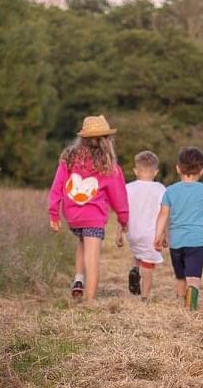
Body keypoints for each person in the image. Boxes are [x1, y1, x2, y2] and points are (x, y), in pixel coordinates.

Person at [47, 115, 129, 302]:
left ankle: (78, 278)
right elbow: (119, 197)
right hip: (93, 217)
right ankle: (90, 302)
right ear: (106, 140)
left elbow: (57, 186)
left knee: (82, 242)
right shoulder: (108, 166)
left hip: (73, 216)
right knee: (92, 260)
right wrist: (123, 219)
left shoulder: (69, 158)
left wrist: (54, 214)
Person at [154, 146, 203, 310]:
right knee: (194, 277)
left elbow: (163, 215)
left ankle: (181, 302)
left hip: (176, 241)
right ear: (202, 171)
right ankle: (191, 307)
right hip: (196, 240)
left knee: (180, 276)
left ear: (178, 168)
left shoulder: (171, 190)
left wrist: (158, 235)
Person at [124, 150, 166, 300]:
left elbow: (123, 211)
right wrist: (164, 234)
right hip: (151, 233)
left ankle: (135, 269)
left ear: (136, 171)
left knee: (138, 253)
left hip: (132, 232)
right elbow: (164, 213)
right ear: (156, 171)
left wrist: (119, 233)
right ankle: (145, 297)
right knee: (148, 265)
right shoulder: (161, 189)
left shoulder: (128, 188)